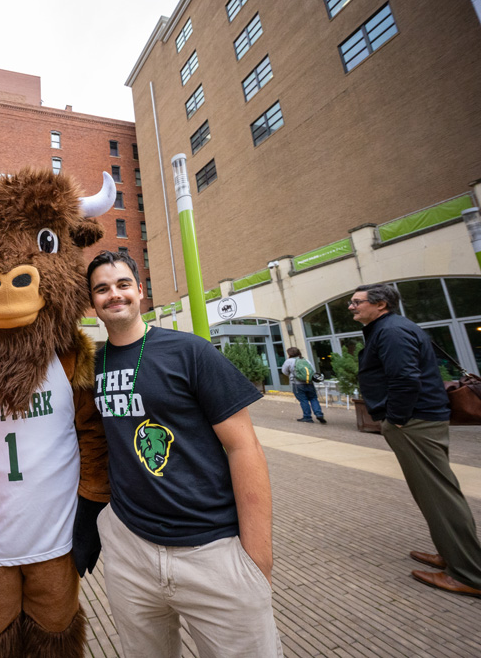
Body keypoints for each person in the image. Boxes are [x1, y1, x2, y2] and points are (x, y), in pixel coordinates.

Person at [86, 251, 282, 657]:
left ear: (140, 291)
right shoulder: (89, 366)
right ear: (93, 303)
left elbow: (243, 446)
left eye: (123, 284)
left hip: (212, 548)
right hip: (130, 549)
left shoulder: (189, 352)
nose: (114, 294)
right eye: (101, 289)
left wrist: (257, 556)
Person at [351, 283, 481, 603]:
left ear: (380, 305)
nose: (351, 307)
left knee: (439, 496)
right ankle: (452, 556)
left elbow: (405, 378)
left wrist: (398, 418)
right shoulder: (390, 327)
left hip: (415, 422)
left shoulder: (391, 331)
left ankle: (471, 575)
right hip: (419, 420)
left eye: (356, 302)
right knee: (433, 493)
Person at [281, 347, 326, 423]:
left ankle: (307, 417)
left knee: (303, 400)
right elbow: (312, 370)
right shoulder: (305, 360)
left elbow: (284, 371)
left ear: (289, 354)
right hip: (309, 383)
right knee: (313, 398)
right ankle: (319, 414)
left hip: (297, 384)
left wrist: (292, 374)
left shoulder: (289, 361)